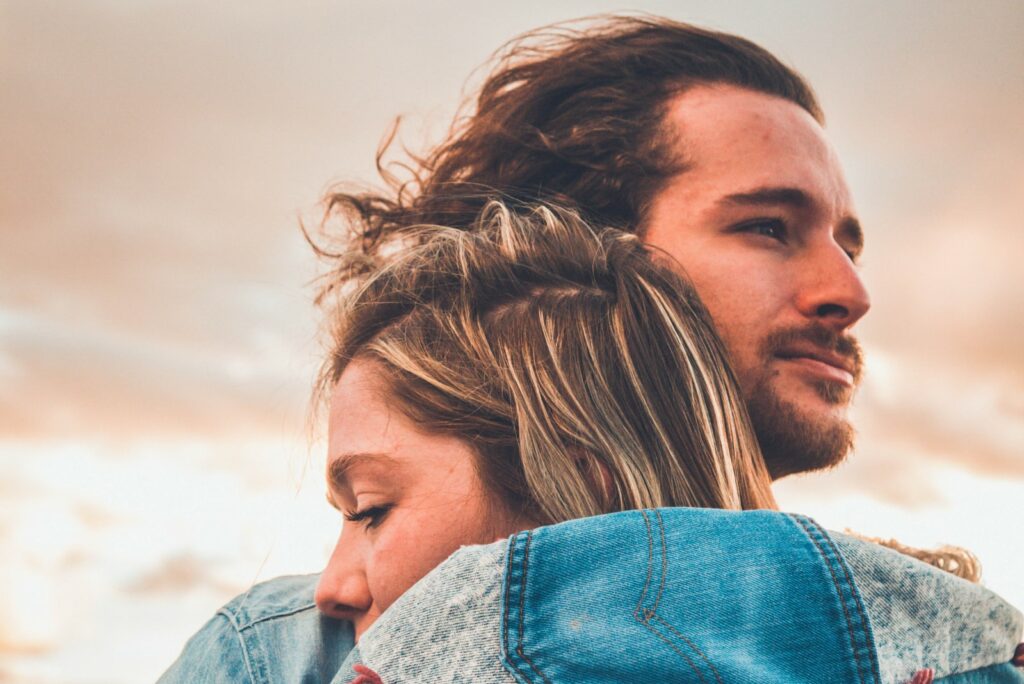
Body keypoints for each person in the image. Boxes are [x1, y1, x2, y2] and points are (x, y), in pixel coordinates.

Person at [159, 15, 1021, 682]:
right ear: (577, 251)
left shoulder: (947, 636)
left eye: (849, 243)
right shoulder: (292, 652)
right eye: (768, 227)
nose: (851, 292)